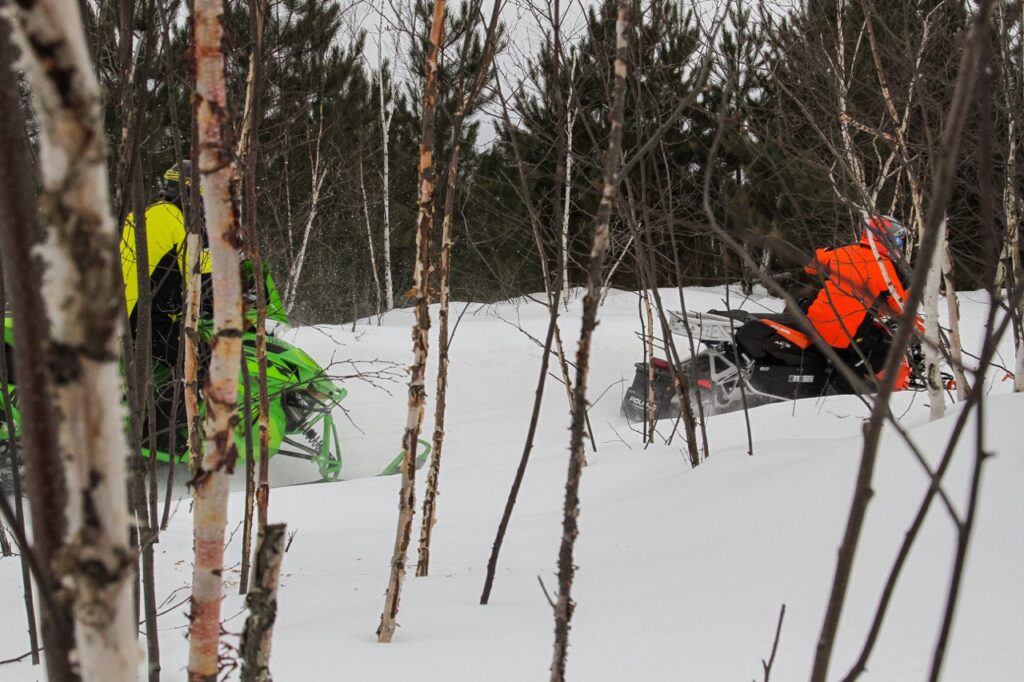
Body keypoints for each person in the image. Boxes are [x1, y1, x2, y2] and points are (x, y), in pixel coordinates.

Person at [801, 215, 912, 388]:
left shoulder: (842, 252)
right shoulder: (886, 269)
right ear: (885, 240)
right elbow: (901, 307)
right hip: (843, 334)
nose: (899, 246)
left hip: (813, 321)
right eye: (897, 241)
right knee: (888, 348)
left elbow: (810, 267)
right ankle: (850, 391)